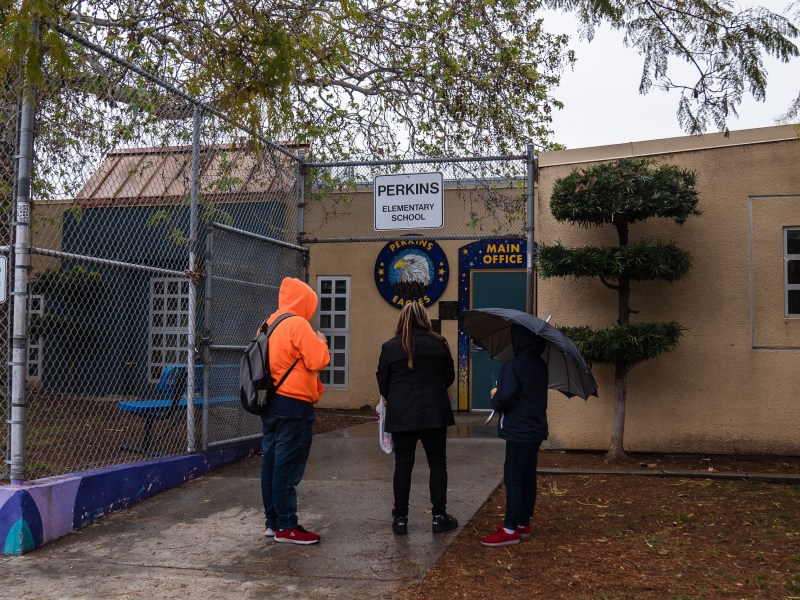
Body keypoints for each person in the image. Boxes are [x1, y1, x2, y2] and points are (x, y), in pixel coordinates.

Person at [376, 301, 458, 535]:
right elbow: (449, 376)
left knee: (403, 464)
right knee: (437, 463)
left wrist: (398, 396)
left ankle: (400, 518)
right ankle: (439, 516)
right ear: (425, 319)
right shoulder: (439, 342)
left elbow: (383, 382)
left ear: (401, 320)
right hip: (434, 411)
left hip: (402, 414)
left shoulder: (390, 347)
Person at [260, 277, 330, 545]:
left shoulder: (268, 323)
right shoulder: (297, 324)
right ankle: (288, 526)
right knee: (287, 468)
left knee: (270, 464)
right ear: (305, 302)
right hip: (294, 405)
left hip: (271, 403)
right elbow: (318, 359)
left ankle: (273, 522)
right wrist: (320, 341)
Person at [480, 325, 549, 547]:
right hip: (535, 429)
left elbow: (505, 399)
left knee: (513, 477)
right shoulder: (540, 365)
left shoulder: (513, 365)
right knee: (528, 476)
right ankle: (523, 524)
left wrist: (494, 396)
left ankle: (510, 529)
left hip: (518, 430)